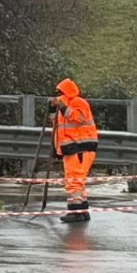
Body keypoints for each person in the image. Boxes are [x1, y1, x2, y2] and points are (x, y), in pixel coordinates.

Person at [51, 77, 98, 224]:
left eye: (60, 93)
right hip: (72, 147)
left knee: (73, 180)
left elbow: (78, 118)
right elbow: (57, 125)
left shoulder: (78, 102)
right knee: (78, 180)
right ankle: (82, 209)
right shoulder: (65, 105)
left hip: (80, 147)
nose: (58, 96)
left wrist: (63, 107)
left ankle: (75, 211)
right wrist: (54, 109)